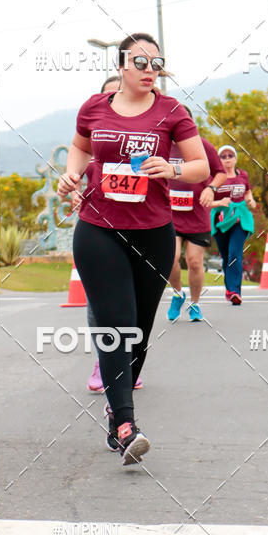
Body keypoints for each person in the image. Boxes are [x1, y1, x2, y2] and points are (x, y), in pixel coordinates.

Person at [58, 32, 208, 465]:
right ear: (121, 65)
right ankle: (126, 425)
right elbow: (79, 147)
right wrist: (72, 175)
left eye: (156, 63)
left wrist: (172, 168)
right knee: (117, 323)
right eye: (140, 63)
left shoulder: (172, 111)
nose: (149, 71)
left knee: (139, 331)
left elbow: (199, 166)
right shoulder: (94, 107)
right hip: (98, 229)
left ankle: (115, 413)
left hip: (153, 232)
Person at [85, 74, 143, 393]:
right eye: (109, 97)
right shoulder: (91, 139)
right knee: (98, 304)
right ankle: (103, 360)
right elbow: (74, 170)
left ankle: (128, 361)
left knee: (132, 303)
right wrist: (71, 184)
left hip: (139, 229)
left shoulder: (145, 138)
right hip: (98, 230)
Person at [167, 107, 227, 322]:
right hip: (170, 215)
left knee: (193, 261)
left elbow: (221, 173)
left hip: (197, 215)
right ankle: (177, 293)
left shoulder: (203, 146)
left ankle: (195, 303)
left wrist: (211, 189)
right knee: (170, 257)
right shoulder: (163, 146)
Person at [209, 145, 256, 305]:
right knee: (226, 256)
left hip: (239, 219)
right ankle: (230, 289)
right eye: (223, 156)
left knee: (235, 254)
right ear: (218, 160)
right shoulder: (214, 178)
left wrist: (250, 200)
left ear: (235, 158)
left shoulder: (243, 175)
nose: (227, 159)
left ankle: (235, 291)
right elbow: (206, 200)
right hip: (221, 219)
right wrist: (219, 203)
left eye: (230, 156)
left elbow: (247, 191)